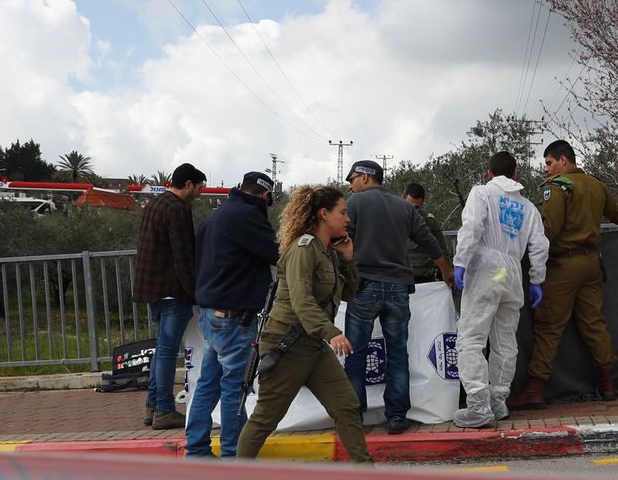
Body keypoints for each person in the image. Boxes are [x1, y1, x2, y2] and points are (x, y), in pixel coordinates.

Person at [512, 139, 618, 410]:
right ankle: (609, 383)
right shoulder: (596, 185)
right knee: (594, 324)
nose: (546, 169)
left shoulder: (558, 188)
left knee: (549, 327)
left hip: (563, 266)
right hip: (591, 264)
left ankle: (534, 389)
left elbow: (549, 230)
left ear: (563, 160)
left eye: (549, 163)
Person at [237, 186, 372, 463]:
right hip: (286, 343)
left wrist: (347, 258)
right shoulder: (303, 248)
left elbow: (348, 293)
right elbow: (301, 301)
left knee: (346, 406)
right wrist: (331, 333)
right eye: (342, 212)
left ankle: (366, 476)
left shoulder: (327, 252)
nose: (347, 219)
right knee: (266, 418)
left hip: (311, 344)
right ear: (324, 214)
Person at [344, 159, 453, 435]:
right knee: (397, 354)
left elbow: (340, 240)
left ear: (366, 178)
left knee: (355, 354)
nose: (350, 184)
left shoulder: (353, 204)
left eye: (352, 178)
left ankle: (354, 418)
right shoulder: (404, 207)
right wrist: (446, 271)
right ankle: (396, 418)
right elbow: (428, 240)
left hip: (364, 286)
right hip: (398, 289)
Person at [451, 151, 549, 428]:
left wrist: (460, 261)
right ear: (515, 174)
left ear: (489, 173)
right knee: (505, 340)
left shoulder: (482, 193)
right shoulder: (528, 207)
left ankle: (478, 404)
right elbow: (540, 246)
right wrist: (537, 280)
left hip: (485, 268)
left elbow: (471, 227)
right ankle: (498, 400)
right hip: (512, 273)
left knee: (471, 338)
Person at [185, 172, 279, 458]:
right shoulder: (247, 217)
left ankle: (197, 450)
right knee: (235, 389)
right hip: (235, 318)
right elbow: (277, 253)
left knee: (207, 385)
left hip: (211, 313)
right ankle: (233, 455)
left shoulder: (217, 216)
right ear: (264, 196)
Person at [134, 162, 206, 430]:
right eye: (199, 188)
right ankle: (164, 410)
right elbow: (183, 256)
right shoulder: (177, 210)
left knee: (161, 351)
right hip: (172, 291)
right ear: (188, 184)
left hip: (152, 290)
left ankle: (153, 407)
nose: (199, 193)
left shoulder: (155, 203)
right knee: (166, 352)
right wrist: (196, 293)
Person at [403, 183, 452, 286]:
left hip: (426, 281)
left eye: (416, 207)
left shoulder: (430, 222)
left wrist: (447, 272)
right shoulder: (391, 220)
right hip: (400, 280)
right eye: (409, 206)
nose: (412, 211)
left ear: (422, 203)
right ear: (402, 198)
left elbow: (442, 250)